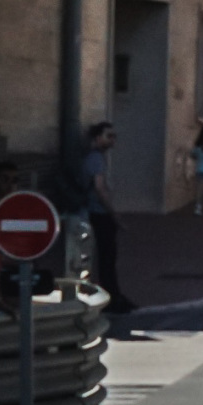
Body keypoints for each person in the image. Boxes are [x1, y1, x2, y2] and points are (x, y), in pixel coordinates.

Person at [80, 120, 131, 312]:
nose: (113, 140)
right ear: (97, 137)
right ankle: (112, 298)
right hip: (99, 214)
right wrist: (115, 215)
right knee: (107, 257)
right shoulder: (95, 159)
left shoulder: (94, 157)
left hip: (95, 212)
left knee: (105, 257)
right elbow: (100, 189)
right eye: (109, 136)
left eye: (114, 136)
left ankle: (111, 295)